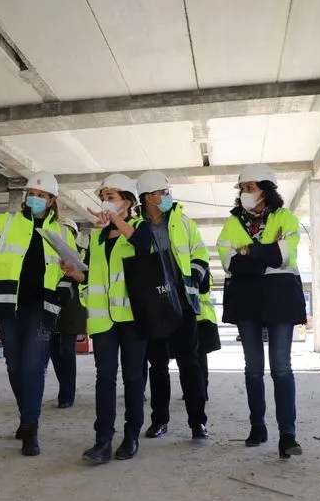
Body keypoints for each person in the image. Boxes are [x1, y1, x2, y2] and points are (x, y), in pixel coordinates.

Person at [0, 173, 76, 456]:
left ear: (51, 201)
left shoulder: (63, 232)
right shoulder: (8, 221)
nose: (34, 198)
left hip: (43, 308)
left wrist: (64, 285)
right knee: (14, 366)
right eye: (31, 193)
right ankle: (27, 415)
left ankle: (30, 428)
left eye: (41, 195)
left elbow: (73, 271)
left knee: (33, 365)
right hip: (8, 305)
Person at [216, 163, 305, 459]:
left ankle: (287, 435)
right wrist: (264, 251)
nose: (245, 193)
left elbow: (284, 256)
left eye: (250, 188)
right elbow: (229, 261)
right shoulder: (232, 222)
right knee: (253, 368)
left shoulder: (286, 217)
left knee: (281, 367)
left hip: (280, 296)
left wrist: (248, 251)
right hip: (244, 298)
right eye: (243, 188)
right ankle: (258, 427)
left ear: (267, 190)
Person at [63, 174, 146, 464]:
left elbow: (147, 246)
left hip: (133, 318)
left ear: (128, 201)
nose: (106, 200)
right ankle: (102, 440)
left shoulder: (140, 228)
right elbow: (95, 275)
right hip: (103, 320)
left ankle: (132, 434)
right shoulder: (96, 237)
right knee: (105, 379)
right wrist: (77, 275)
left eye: (112, 196)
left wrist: (117, 222)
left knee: (134, 378)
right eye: (104, 195)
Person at [128, 171, 211, 441]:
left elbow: (200, 252)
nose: (167, 197)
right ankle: (159, 420)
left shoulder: (183, 223)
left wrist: (195, 277)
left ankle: (198, 422)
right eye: (162, 193)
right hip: (153, 308)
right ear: (148, 197)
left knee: (190, 365)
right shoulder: (135, 227)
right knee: (158, 368)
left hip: (183, 305)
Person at [47, 217, 87, 409]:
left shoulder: (81, 254)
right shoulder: (49, 254)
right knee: (55, 352)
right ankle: (65, 389)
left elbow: (85, 278)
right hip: (51, 308)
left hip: (71, 310)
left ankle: (66, 395)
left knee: (66, 351)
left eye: (69, 232)